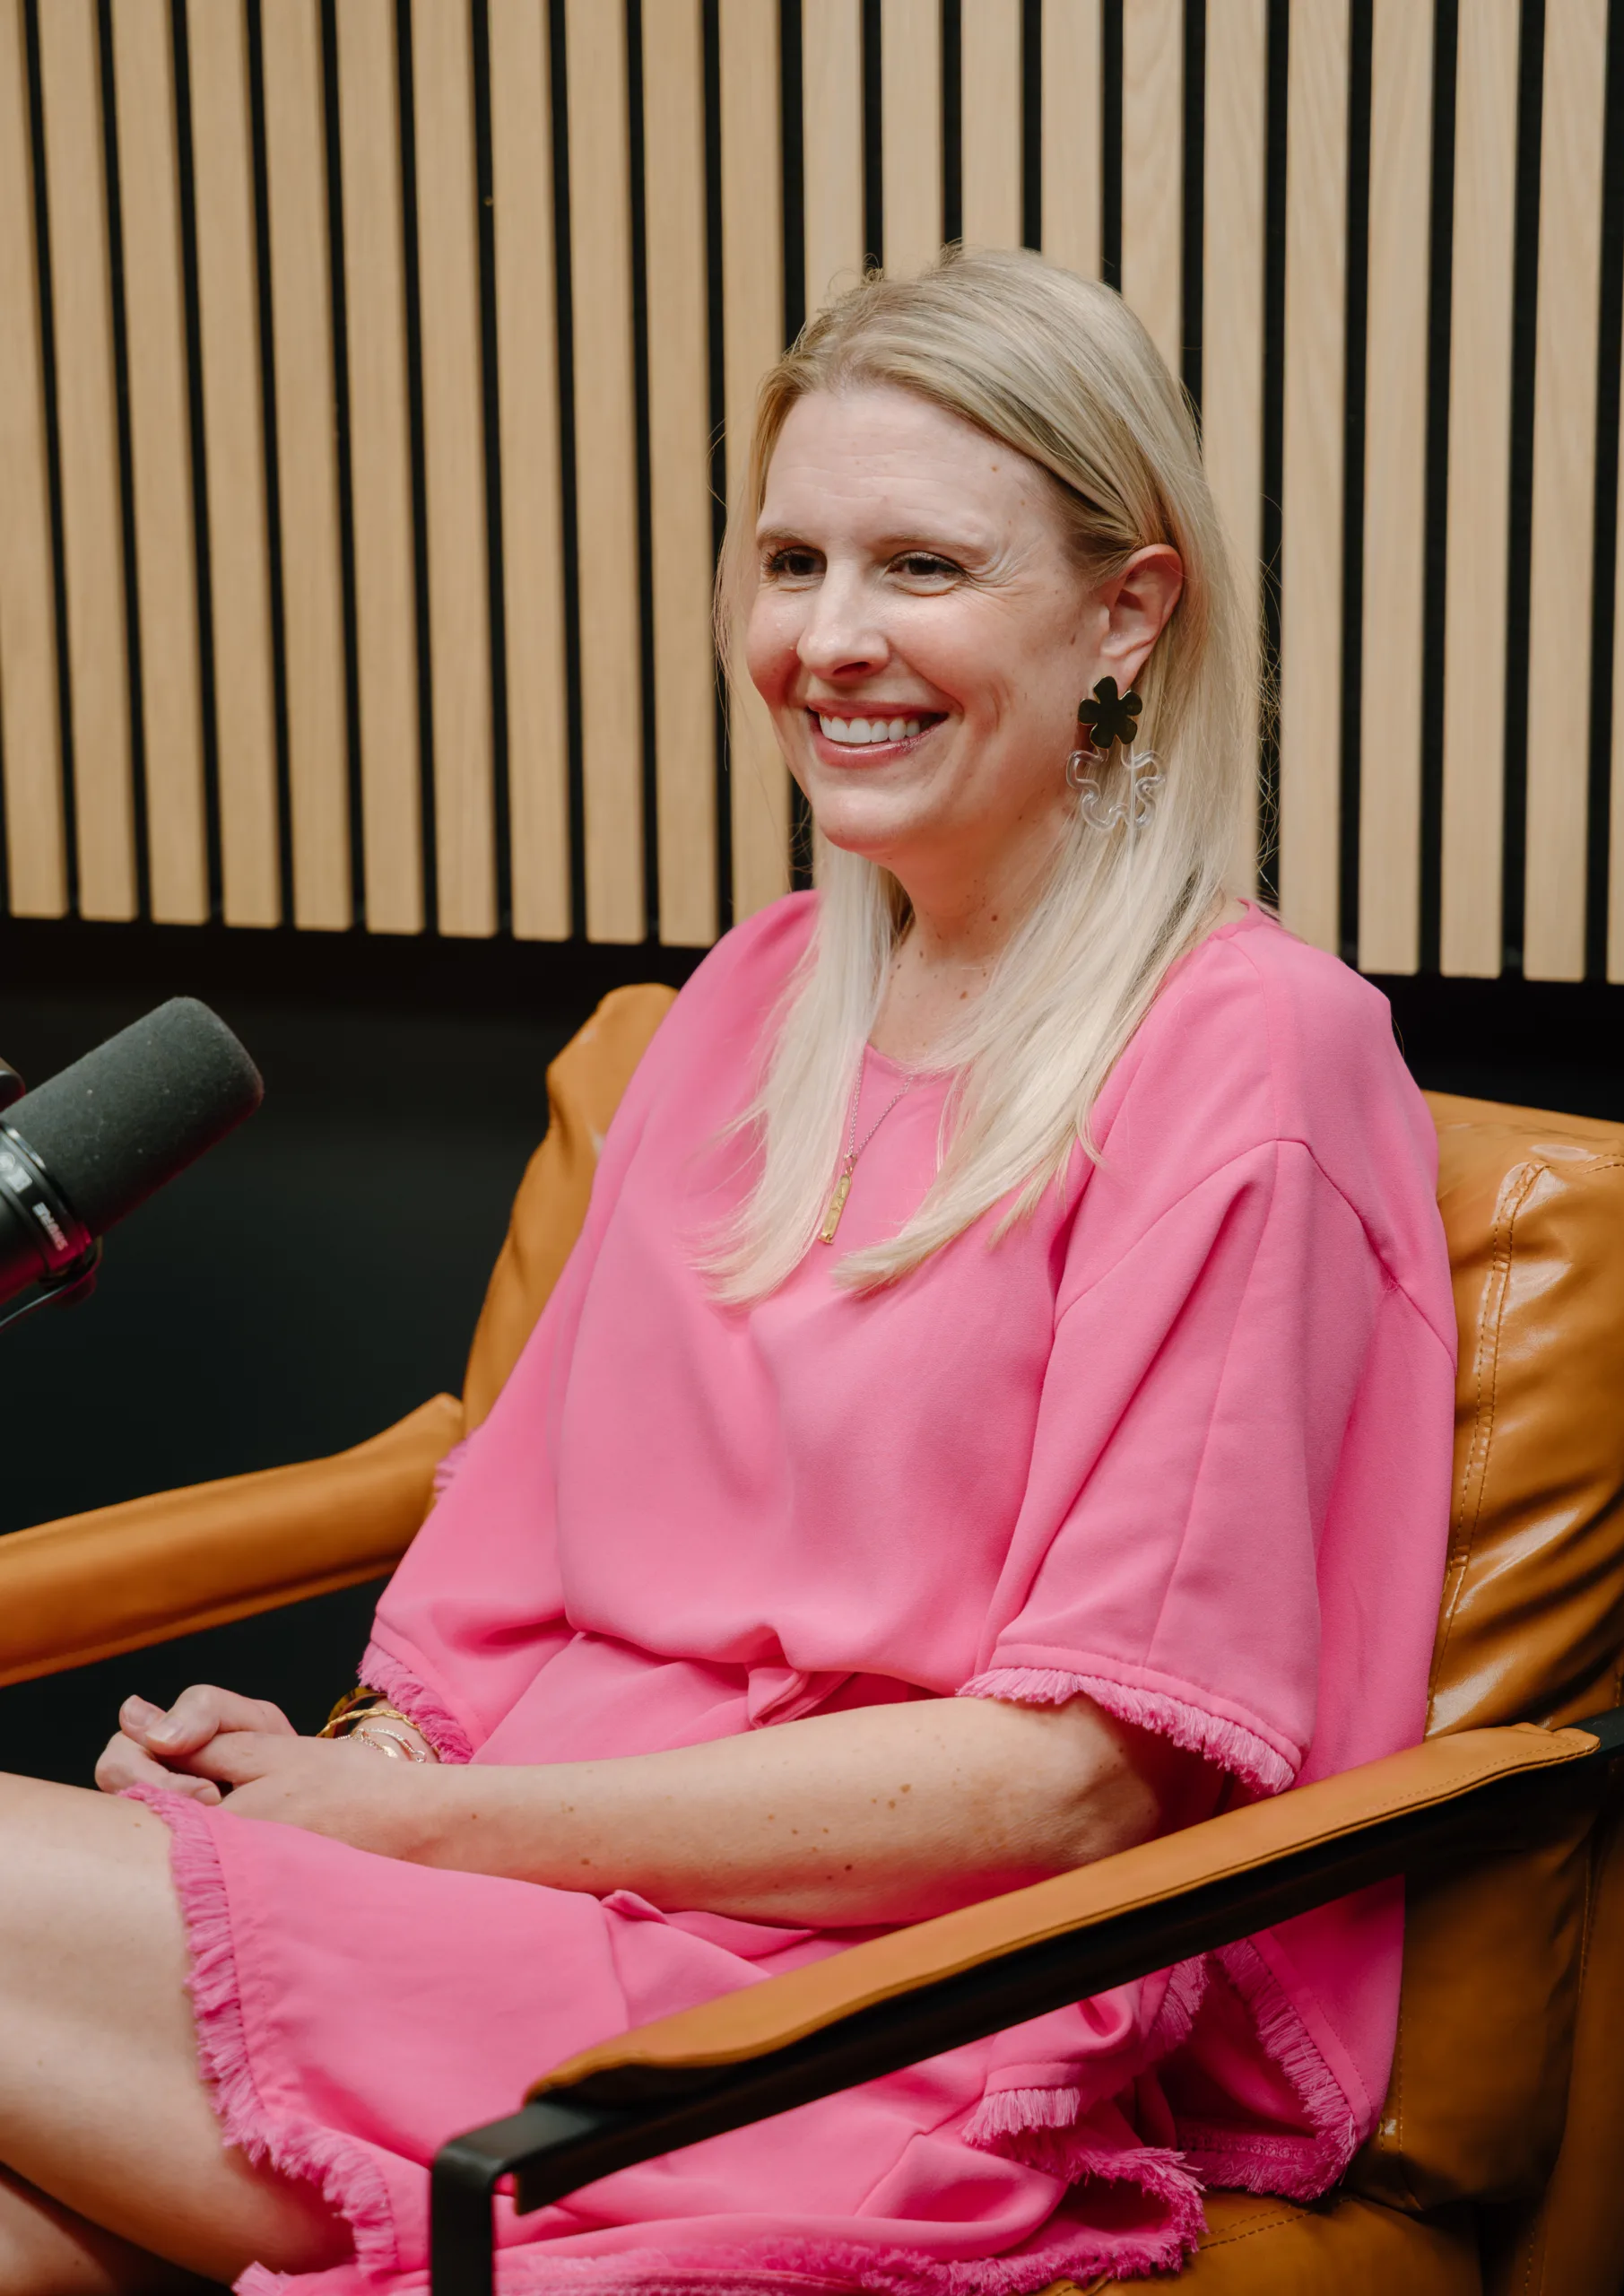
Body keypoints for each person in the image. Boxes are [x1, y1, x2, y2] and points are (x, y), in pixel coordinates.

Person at [0, 248, 1455, 2295]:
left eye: (921, 565)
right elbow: (504, 1574)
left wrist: (406, 1832)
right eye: (789, 560)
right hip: (508, 1899)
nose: (826, 639)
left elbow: (1072, 1788)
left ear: (1126, 614)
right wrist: (344, 1771)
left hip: (844, 2007)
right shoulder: (753, 998)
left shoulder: (1253, 1050)